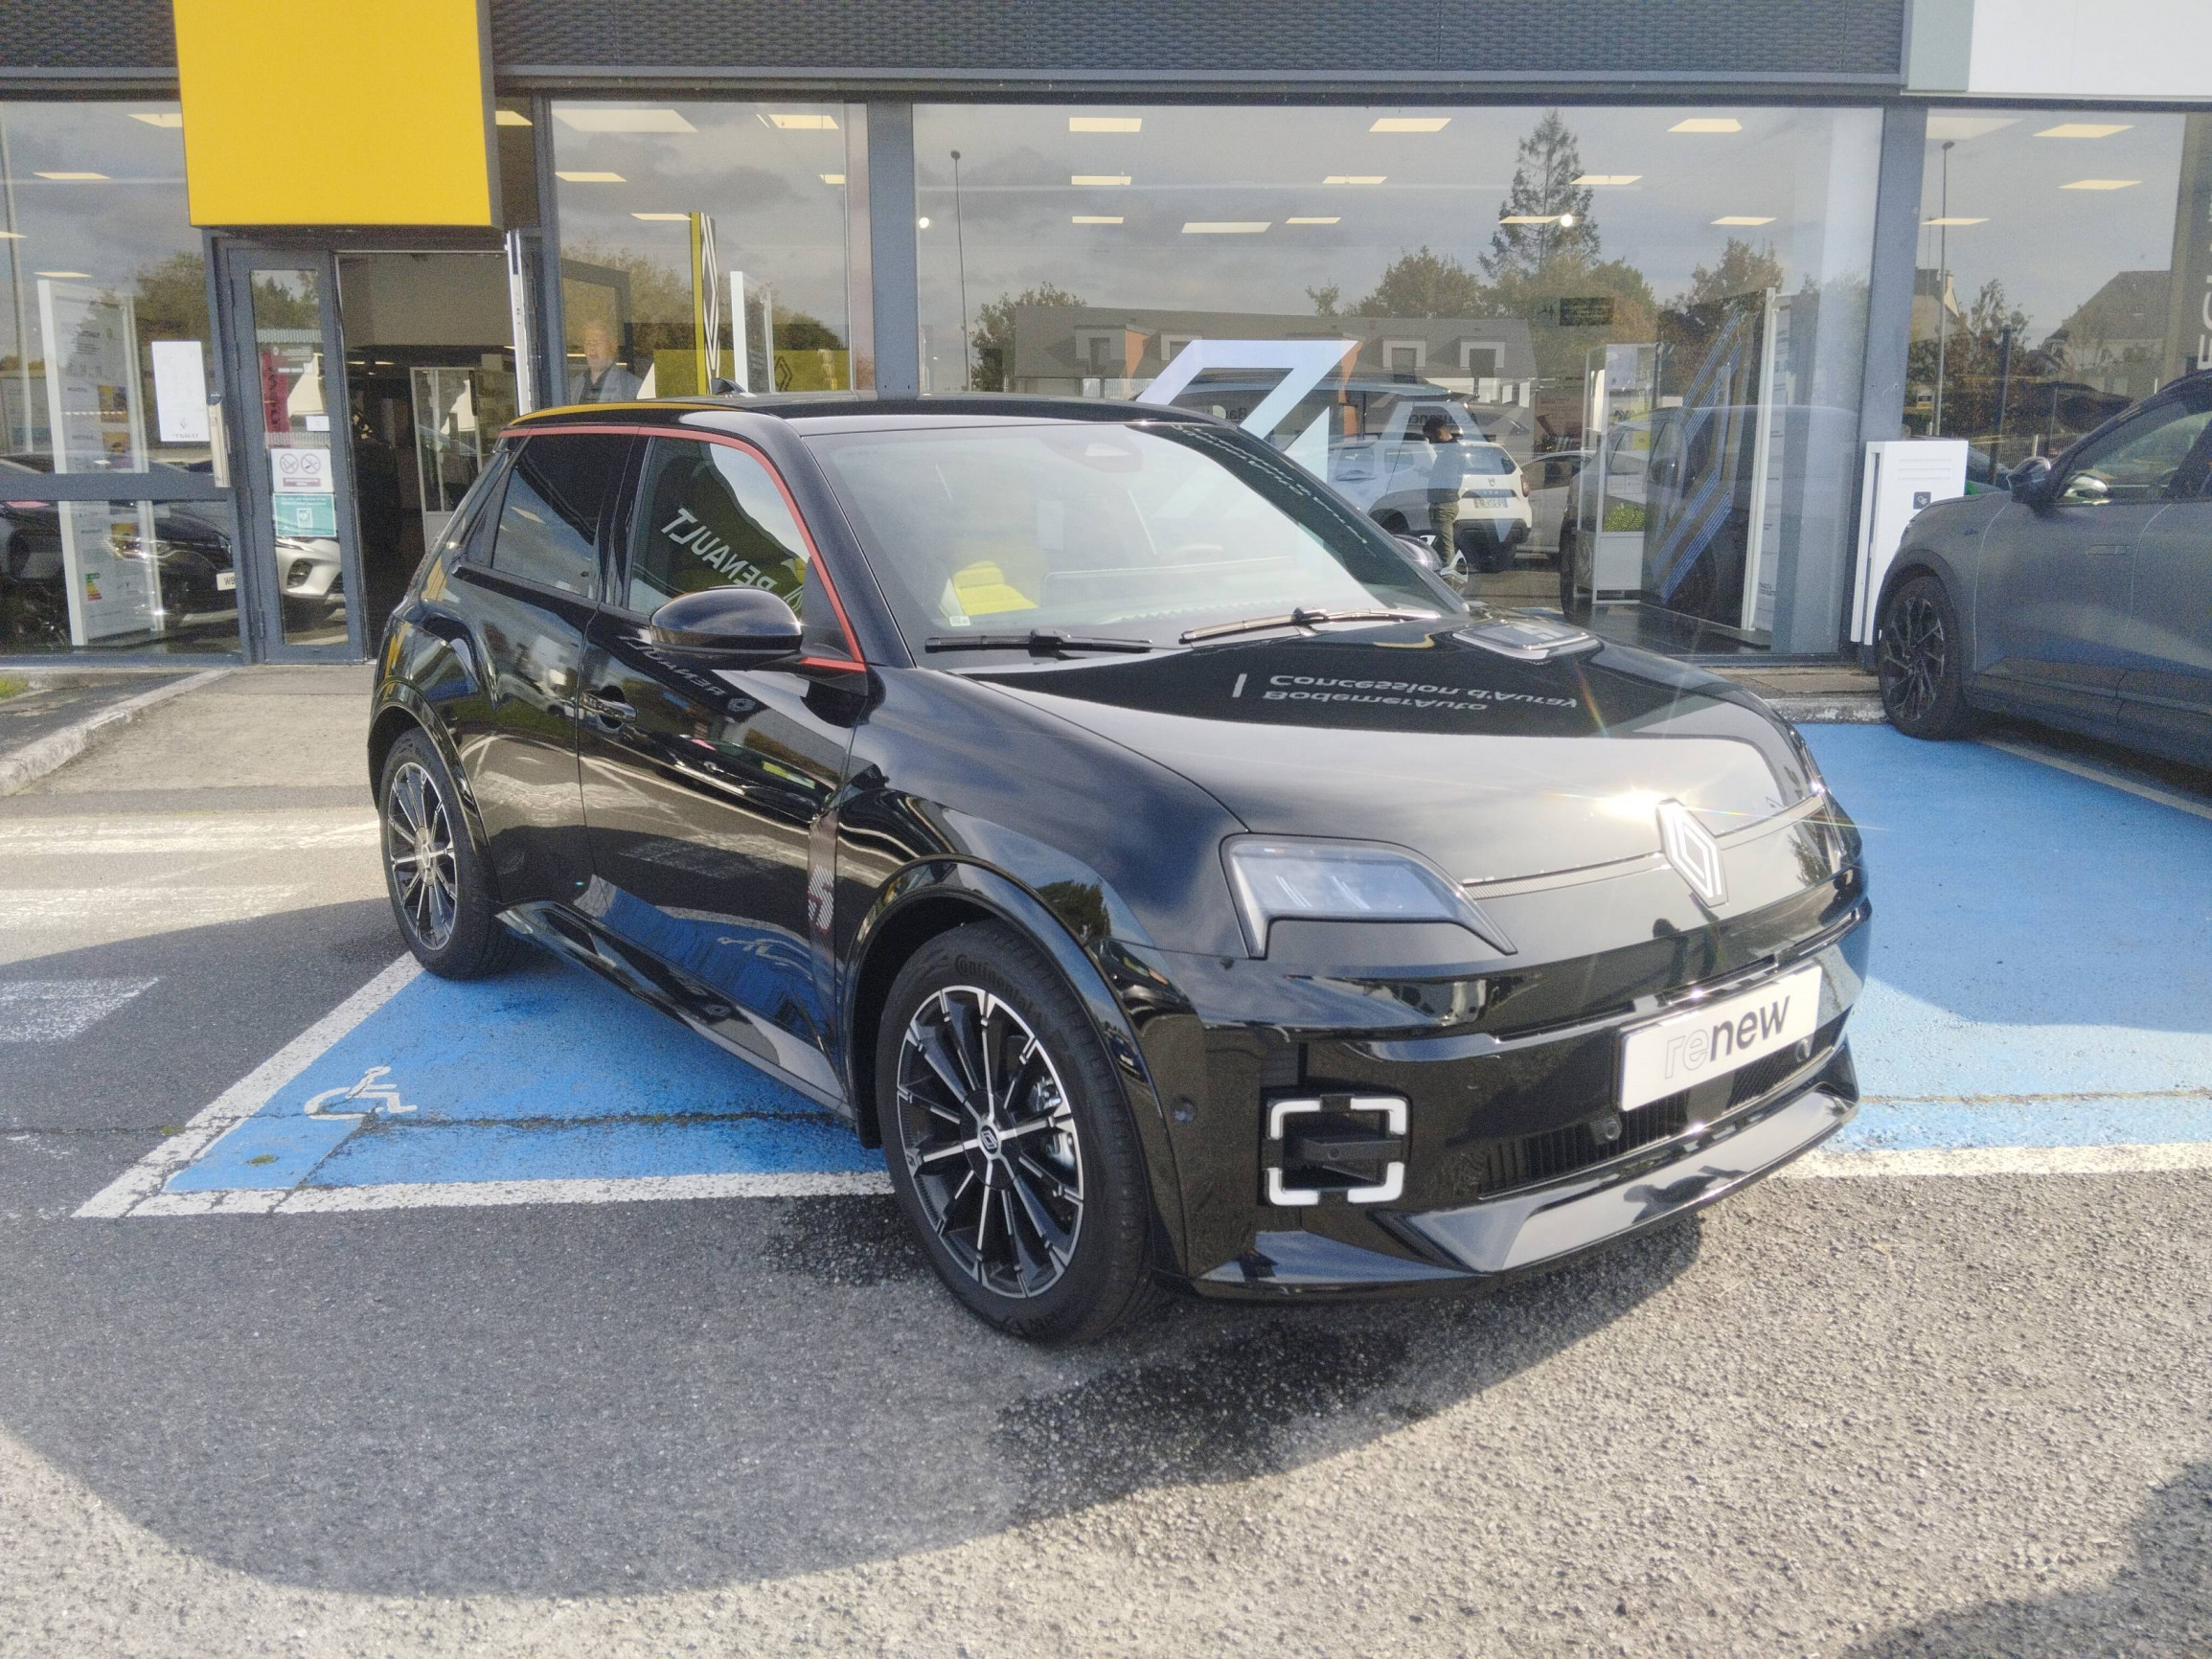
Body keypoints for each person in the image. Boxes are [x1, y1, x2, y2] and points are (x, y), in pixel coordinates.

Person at [1422, 413, 1465, 567]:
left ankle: (1449, 577)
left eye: (1430, 438)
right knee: (1442, 545)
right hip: (1445, 502)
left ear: (1439, 433)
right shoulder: (1452, 451)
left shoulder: (1451, 452)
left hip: (1443, 504)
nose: (1430, 443)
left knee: (1445, 547)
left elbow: (1449, 478)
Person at [568, 322, 642, 404]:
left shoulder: (633, 386)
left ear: (612, 346)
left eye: (597, 343)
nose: (592, 348)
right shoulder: (573, 386)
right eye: (588, 343)